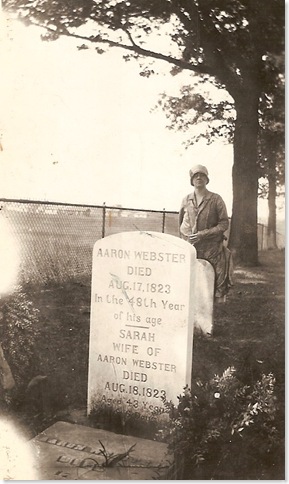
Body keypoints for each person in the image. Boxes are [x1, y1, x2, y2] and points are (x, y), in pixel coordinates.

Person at [179, 164, 233, 302]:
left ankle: (207, 321)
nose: (199, 177)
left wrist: (203, 234)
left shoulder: (216, 199)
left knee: (211, 289)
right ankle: (192, 321)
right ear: (191, 180)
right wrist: (186, 238)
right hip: (192, 249)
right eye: (195, 175)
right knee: (190, 287)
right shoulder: (186, 200)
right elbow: (181, 224)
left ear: (207, 179)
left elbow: (224, 223)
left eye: (202, 175)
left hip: (212, 250)